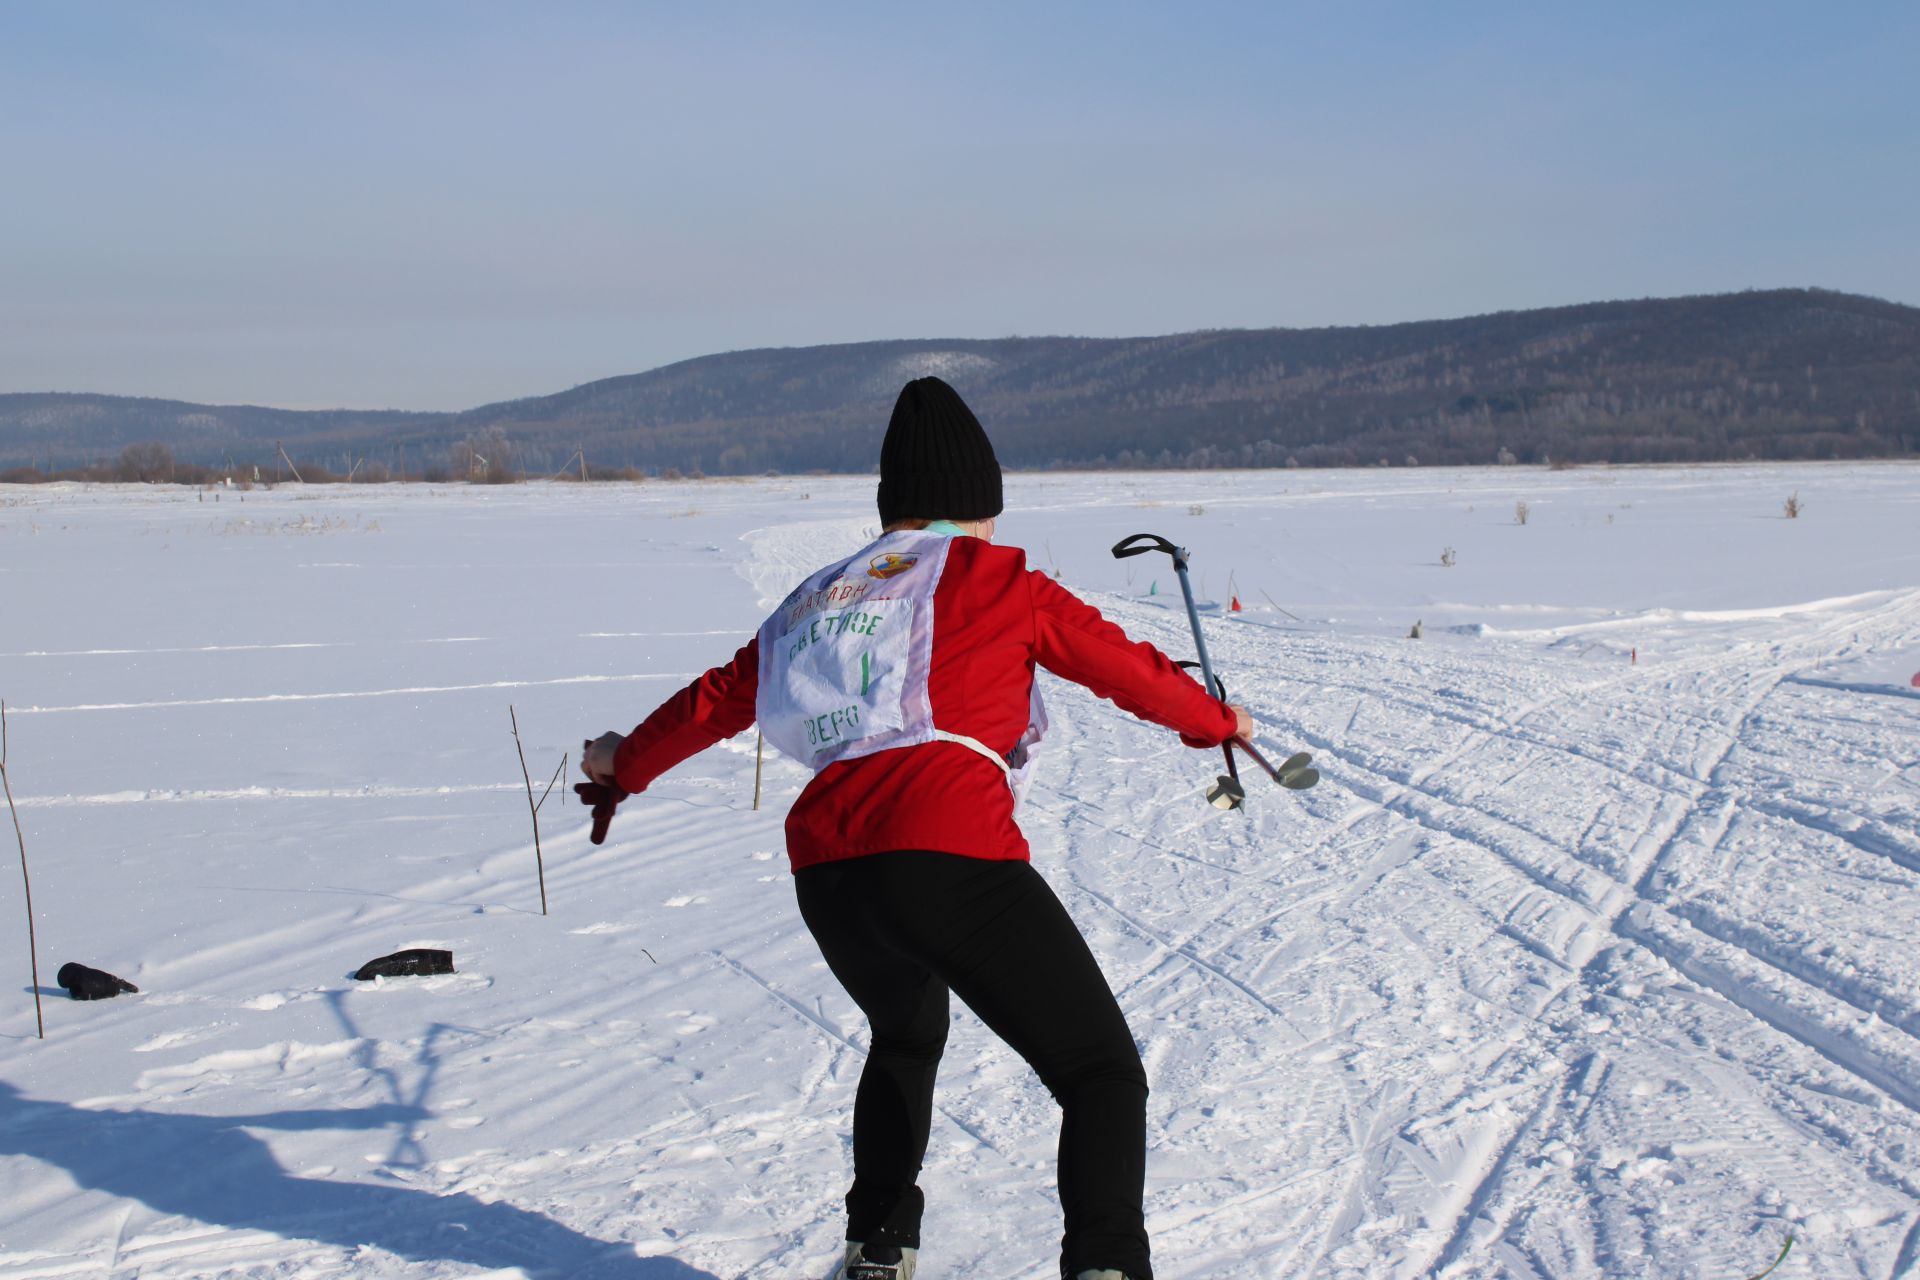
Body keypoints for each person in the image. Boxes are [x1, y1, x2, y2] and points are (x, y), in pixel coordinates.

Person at [580, 376, 1252, 1280]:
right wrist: (1216, 723)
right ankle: (1105, 1266)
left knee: (905, 1035)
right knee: (1099, 1073)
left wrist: (622, 767)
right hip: (944, 852)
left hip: (829, 874)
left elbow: (716, 701)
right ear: (979, 504)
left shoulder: (817, 597)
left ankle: (876, 1246)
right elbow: (1120, 666)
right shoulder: (1000, 575)